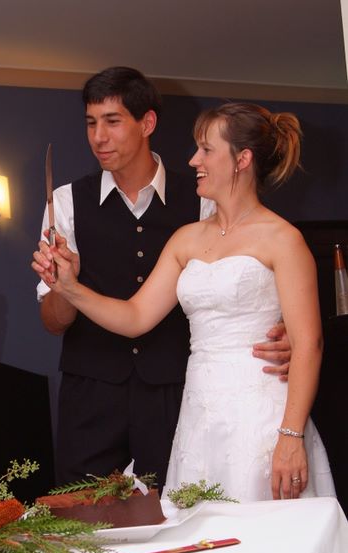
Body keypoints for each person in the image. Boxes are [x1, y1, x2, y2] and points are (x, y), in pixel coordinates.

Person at [32, 68, 291, 492]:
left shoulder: (205, 198)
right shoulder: (65, 202)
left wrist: (284, 331)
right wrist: (64, 286)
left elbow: (239, 284)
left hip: (176, 389)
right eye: (91, 123)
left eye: (112, 121)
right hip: (90, 392)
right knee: (81, 515)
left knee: (178, 509)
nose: (98, 137)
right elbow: (53, 321)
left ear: (147, 122)